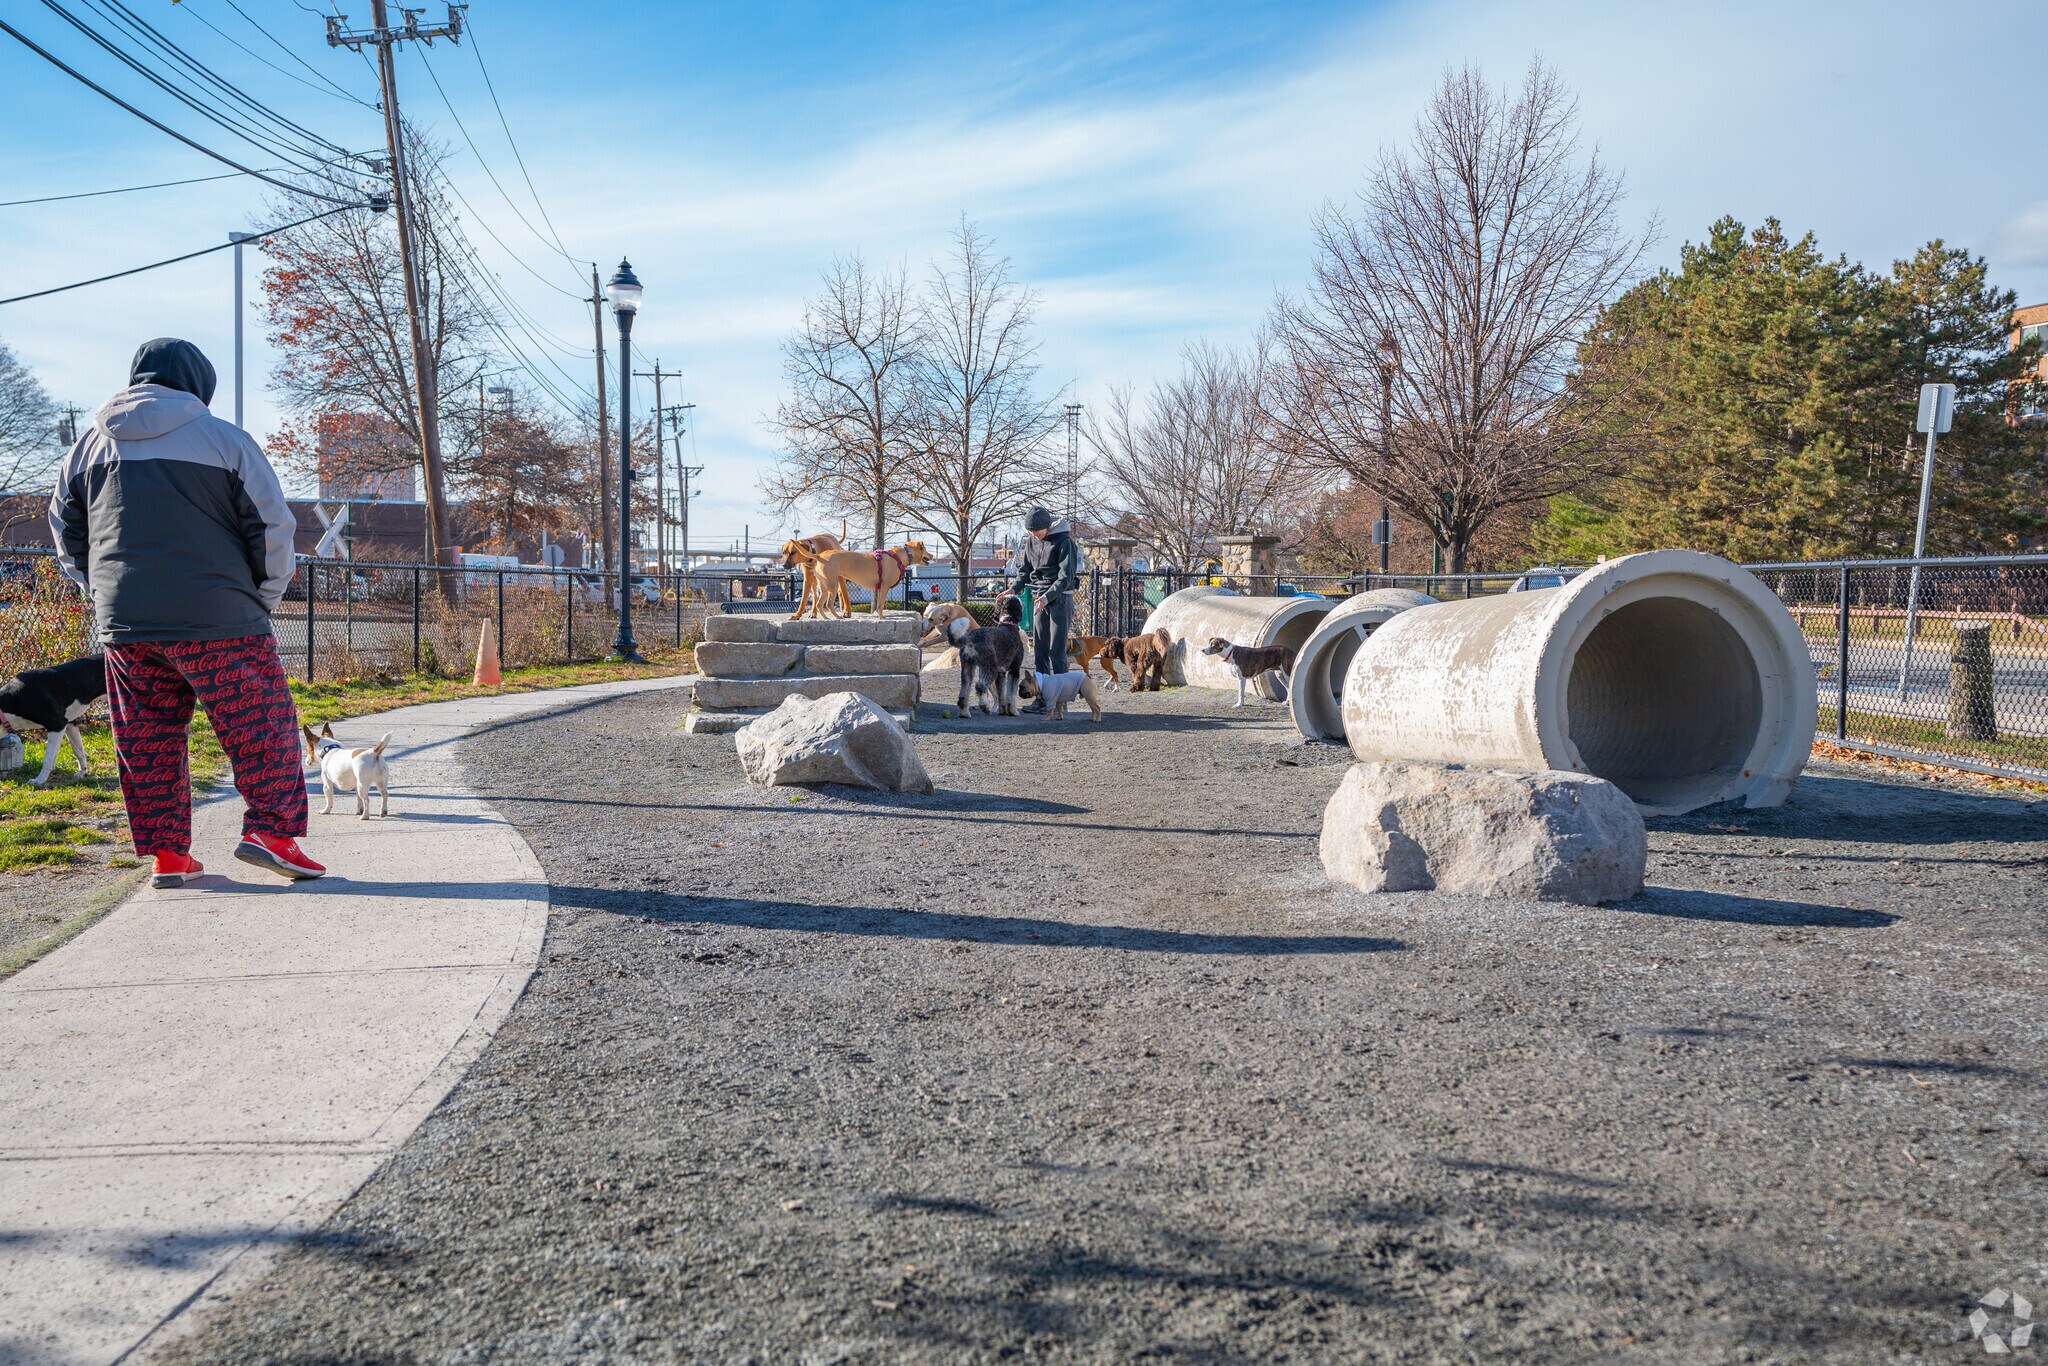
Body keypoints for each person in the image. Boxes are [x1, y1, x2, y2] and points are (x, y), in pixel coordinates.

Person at [50, 338, 324, 887]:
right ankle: (271, 832)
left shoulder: (86, 449)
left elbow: (66, 533)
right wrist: (262, 597)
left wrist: (102, 593)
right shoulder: (225, 440)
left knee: (146, 737)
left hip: (126, 624)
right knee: (259, 726)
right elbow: (272, 528)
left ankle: (168, 855)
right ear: (199, 383)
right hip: (221, 620)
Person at [1008, 506, 1080, 712]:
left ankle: (1060, 701)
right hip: (1039, 598)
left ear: (1047, 526)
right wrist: (1013, 589)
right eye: (1030, 531)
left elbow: (1065, 577)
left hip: (1059, 599)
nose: (1034, 534)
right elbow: (1026, 570)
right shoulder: (1032, 541)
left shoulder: (1065, 542)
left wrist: (1047, 597)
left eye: (1037, 530)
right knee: (1040, 650)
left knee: (1056, 652)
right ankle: (1041, 698)